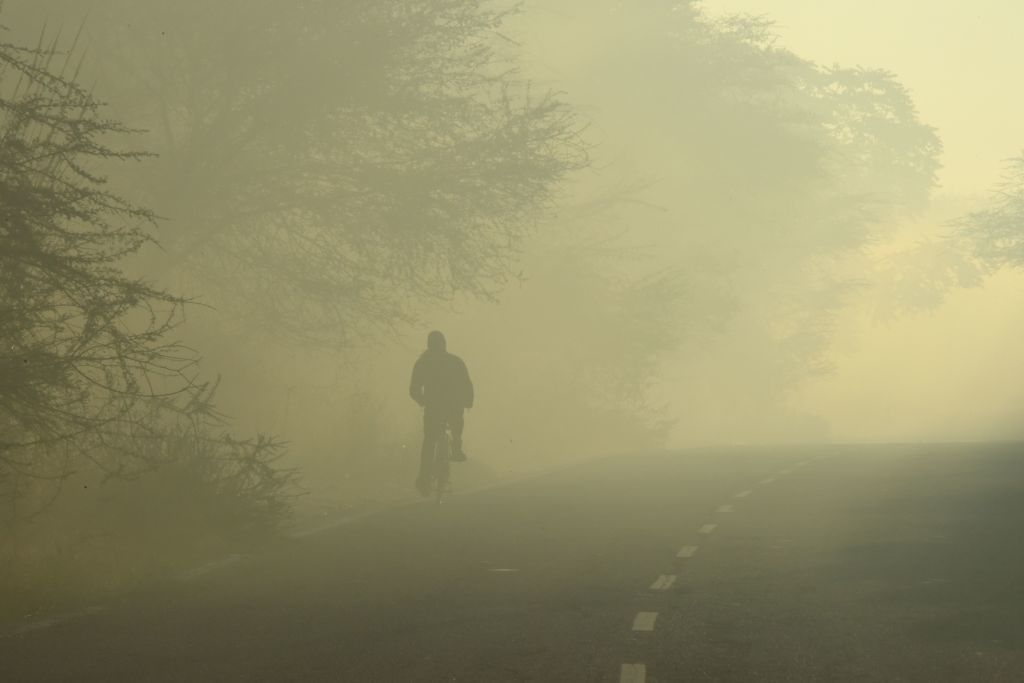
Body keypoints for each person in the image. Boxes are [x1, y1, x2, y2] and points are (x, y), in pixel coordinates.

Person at [409, 330, 474, 496]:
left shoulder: (423, 362)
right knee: (456, 425)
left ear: (429, 345)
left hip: (433, 408)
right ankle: (457, 447)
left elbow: (414, 389)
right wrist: (468, 401)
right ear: (444, 344)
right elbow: (467, 384)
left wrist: (422, 400)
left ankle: (424, 478)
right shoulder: (455, 361)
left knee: (429, 441)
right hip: (454, 407)